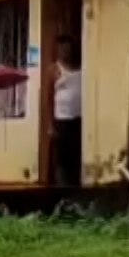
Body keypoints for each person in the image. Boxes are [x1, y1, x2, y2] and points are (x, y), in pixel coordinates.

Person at [52, 35, 83, 188]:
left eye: (68, 49)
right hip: (62, 118)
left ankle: (76, 184)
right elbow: (46, 97)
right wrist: (49, 124)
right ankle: (62, 187)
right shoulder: (55, 69)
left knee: (76, 153)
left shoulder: (81, 66)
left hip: (79, 117)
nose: (65, 52)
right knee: (62, 156)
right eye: (62, 49)